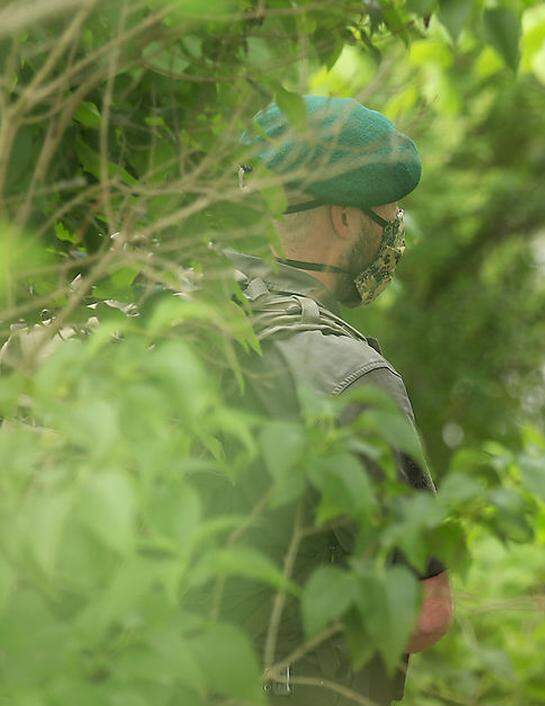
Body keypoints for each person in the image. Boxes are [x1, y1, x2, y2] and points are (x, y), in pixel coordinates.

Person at [200, 94, 451, 704]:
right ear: (344, 218)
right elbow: (423, 614)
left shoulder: (141, 306)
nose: (394, 228)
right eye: (388, 212)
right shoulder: (347, 374)